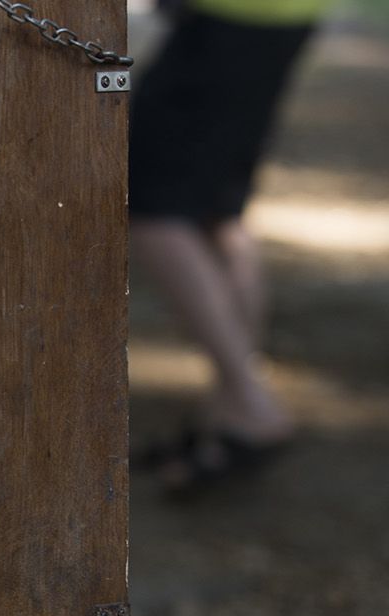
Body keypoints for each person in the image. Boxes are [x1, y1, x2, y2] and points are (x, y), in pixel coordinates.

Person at [129, 0, 329, 493]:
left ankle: (249, 405)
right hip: (272, 17)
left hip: (232, 17)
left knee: (153, 209)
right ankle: (228, 412)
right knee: (216, 214)